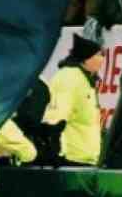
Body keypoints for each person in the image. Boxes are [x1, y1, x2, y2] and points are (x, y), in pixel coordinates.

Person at [40, 36, 103, 167]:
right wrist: (56, 152)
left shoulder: (86, 79)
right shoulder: (69, 78)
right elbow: (56, 118)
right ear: (86, 58)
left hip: (85, 157)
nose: (103, 59)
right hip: (71, 158)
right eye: (99, 55)